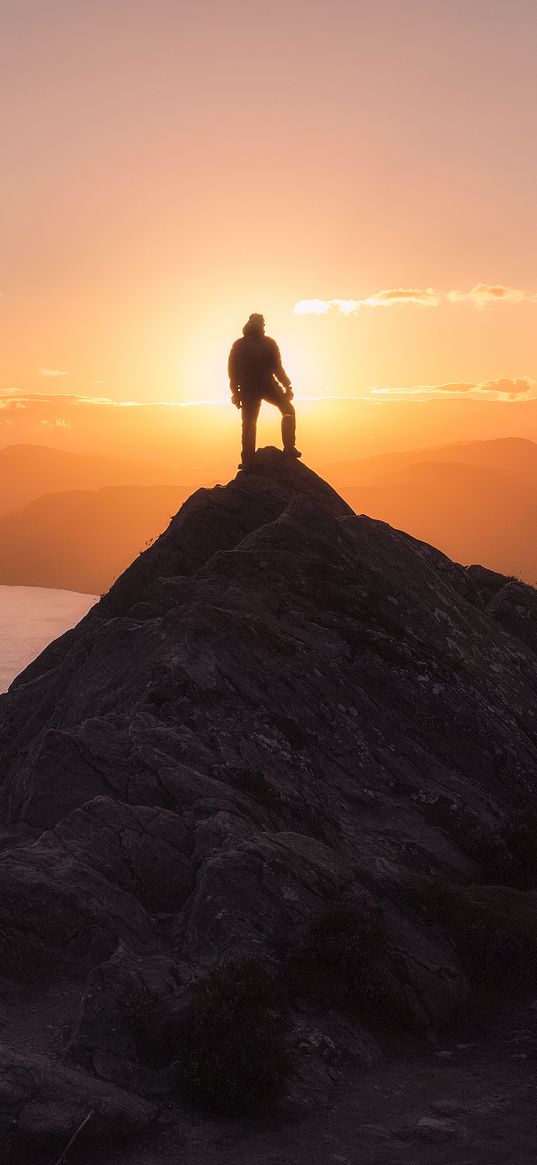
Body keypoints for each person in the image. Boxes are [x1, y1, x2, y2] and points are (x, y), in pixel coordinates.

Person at [228, 313, 301, 467]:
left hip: (247, 388)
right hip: (268, 385)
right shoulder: (268, 343)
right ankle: (289, 447)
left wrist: (235, 392)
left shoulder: (238, 345)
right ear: (261, 325)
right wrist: (287, 386)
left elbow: (232, 372)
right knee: (288, 410)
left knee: (248, 423)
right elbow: (277, 368)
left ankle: (248, 460)